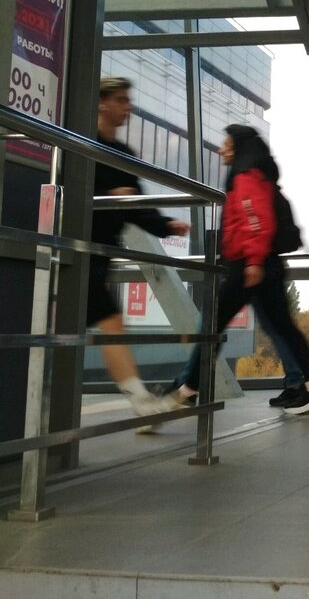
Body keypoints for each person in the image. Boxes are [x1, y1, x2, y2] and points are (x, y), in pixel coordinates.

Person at [165, 124, 309, 415]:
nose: (221, 150)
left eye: (226, 145)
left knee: (214, 323)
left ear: (239, 147)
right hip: (260, 263)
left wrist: (253, 261)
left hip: (248, 265)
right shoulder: (254, 174)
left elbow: (255, 218)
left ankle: (188, 388)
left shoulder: (245, 176)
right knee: (282, 326)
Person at [90, 76, 190, 417]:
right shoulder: (83, 142)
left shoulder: (123, 154)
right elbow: (68, 186)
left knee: (109, 324)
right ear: (102, 102)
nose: (128, 107)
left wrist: (166, 225)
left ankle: (142, 403)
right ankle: (142, 404)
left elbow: (137, 204)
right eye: (121, 100)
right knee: (111, 323)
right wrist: (109, 195)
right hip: (79, 247)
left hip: (100, 251)